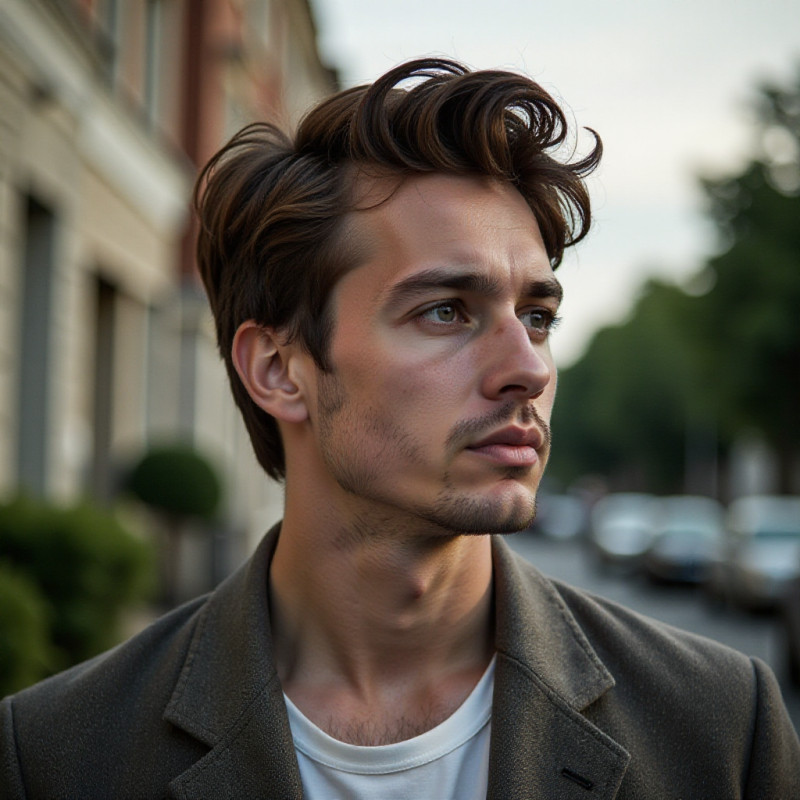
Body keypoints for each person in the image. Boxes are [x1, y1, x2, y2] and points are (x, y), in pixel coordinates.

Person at [1, 58, 798, 799]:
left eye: (537, 315)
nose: (529, 368)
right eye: (446, 311)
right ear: (279, 369)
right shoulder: (58, 754)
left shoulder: (723, 729)